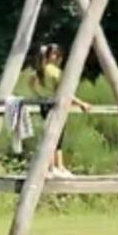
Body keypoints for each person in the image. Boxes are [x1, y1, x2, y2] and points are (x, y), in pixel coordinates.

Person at [27, 43, 91, 177]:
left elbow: (31, 83)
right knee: (56, 137)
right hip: (55, 104)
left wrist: (38, 95)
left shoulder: (40, 69)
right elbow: (64, 91)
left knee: (52, 135)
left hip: (45, 103)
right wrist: (81, 103)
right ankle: (53, 167)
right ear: (54, 56)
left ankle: (57, 167)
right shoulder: (54, 71)